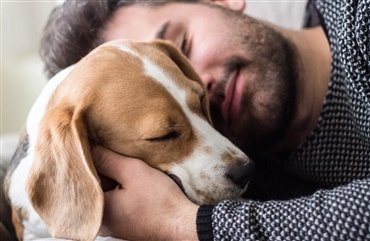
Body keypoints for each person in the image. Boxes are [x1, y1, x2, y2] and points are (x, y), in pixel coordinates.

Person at [39, 0, 370, 240]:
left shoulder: (359, 19)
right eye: (163, 131)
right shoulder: (240, 179)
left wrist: (186, 225)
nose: (196, 80)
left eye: (181, 46)